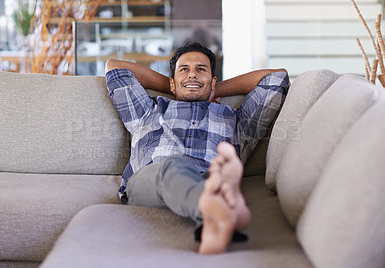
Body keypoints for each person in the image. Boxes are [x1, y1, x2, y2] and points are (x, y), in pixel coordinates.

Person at [105, 42, 289, 254]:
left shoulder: (238, 120)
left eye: (201, 70)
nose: (192, 75)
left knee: (215, 174)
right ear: (172, 83)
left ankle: (215, 211)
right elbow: (116, 67)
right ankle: (216, 206)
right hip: (153, 179)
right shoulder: (147, 111)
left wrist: (211, 89)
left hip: (209, 175)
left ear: (213, 81)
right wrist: (176, 86)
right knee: (175, 166)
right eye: (184, 70)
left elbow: (277, 78)